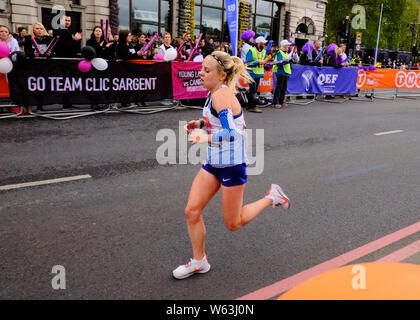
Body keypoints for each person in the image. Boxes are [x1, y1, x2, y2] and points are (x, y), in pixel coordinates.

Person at [172, 50, 290, 279]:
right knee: (192, 211)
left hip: (232, 164)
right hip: (214, 161)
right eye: (201, 69)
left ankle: (272, 197)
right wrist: (198, 123)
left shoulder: (221, 96)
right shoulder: (213, 92)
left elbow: (231, 133)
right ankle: (199, 261)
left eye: (206, 70)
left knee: (233, 223)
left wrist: (203, 137)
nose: (201, 73)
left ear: (222, 75)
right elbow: (215, 121)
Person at [245, 36, 267, 113]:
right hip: (252, 73)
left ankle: (250, 105)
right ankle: (252, 107)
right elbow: (248, 63)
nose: (264, 44)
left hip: (259, 73)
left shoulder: (264, 51)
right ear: (259, 43)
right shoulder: (251, 50)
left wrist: (266, 63)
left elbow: (264, 61)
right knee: (252, 90)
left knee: (254, 91)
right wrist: (257, 62)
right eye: (263, 43)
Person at [273, 40, 292, 109]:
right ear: (284, 46)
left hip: (285, 72)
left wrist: (288, 61)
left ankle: (281, 101)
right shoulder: (279, 52)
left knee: (284, 87)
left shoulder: (284, 53)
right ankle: (276, 102)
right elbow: (280, 62)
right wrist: (287, 61)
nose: (289, 47)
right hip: (281, 72)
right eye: (288, 45)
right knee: (279, 87)